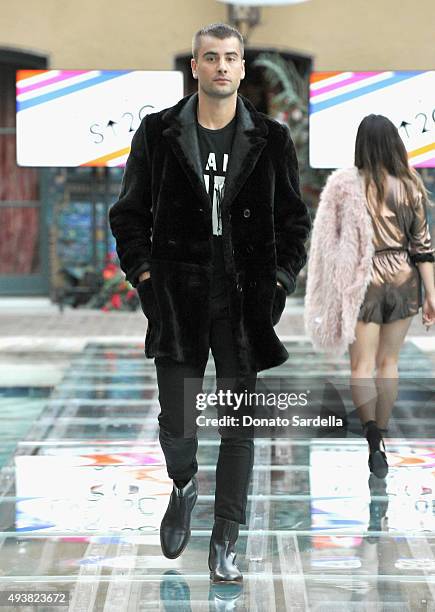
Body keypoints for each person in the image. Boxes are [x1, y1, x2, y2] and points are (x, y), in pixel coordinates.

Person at [109, 22, 311, 582]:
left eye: (231, 57)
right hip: (177, 300)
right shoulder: (159, 134)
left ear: (242, 68)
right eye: (210, 57)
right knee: (178, 422)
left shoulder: (270, 138)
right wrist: (147, 278)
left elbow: (295, 222)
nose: (221, 66)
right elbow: (128, 215)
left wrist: (276, 283)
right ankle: (182, 482)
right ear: (194, 67)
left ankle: (226, 537)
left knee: (238, 425)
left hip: (245, 304)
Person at [304, 114, 435, 478]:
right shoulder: (410, 184)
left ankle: (372, 437)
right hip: (405, 277)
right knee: (388, 363)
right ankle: (385, 430)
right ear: (395, 143)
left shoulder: (347, 186)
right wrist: (431, 295)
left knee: (361, 366)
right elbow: (422, 245)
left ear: (360, 145)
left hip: (363, 280)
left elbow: (329, 244)